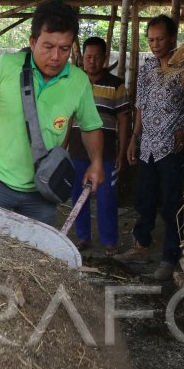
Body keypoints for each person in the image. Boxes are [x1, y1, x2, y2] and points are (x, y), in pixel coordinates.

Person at [0, 0, 106, 227]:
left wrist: (97, 162)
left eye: (64, 49)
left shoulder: (79, 82)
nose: (55, 57)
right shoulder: (7, 65)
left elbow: (90, 126)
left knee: (39, 257)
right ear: (33, 42)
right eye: (48, 47)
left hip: (42, 186)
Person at [122, 14, 184, 281]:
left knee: (171, 205)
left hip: (171, 147)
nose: (155, 44)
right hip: (147, 145)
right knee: (144, 199)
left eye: (159, 39)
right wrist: (134, 138)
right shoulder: (147, 68)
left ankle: (170, 258)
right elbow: (140, 106)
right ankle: (141, 246)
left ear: (172, 38)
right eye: (150, 39)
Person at [67, 37, 130, 255]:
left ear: (105, 59)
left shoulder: (116, 85)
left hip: (107, 154)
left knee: (106, 198)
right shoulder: (73, 82)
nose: (92, 61)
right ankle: (83, 237)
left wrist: (122, 151)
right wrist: (63, 147)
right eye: (88, 57)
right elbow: (67, 118)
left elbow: (123, 119)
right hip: (76, 150)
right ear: (82, 58)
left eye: (96, 57)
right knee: (77, 196)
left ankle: (109, 241)